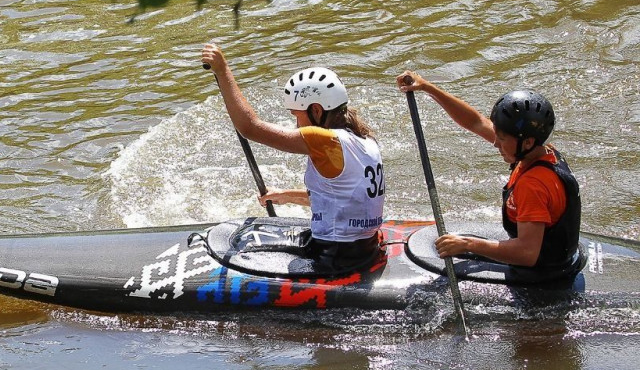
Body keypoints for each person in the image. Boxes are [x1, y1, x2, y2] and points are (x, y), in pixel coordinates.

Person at [200, 43, 385, 265]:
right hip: (365, 247)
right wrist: (285, 195)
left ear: (316, 110)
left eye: (297, 115)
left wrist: (222, 71)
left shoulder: (324, 140)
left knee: (242, 247)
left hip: (334, 255)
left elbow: (249, 128)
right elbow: (341, 198)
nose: (296, 124)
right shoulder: (365, 140)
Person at [396, 70, 581, 272]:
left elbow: (527, 253)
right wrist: (426, 87)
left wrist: (468, 244)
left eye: (501, 138)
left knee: (463, 245)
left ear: (527, 142)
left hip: (543, 271)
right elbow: (476, 122)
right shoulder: (540, 151)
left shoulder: (533, 185)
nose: (495, 143)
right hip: (555, 253)